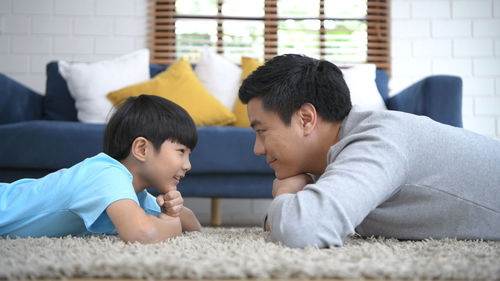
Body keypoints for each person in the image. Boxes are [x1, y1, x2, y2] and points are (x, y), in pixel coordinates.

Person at [239, 54, 500, 248]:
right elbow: (288, 221)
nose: (256, 149)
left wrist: (285, 194)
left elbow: (304, 229)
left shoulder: (379, 139)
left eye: (261, 131)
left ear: (306, 119)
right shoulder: (340, 156)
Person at [0, 95, 201, 243]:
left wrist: (175, 209)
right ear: (141, 149)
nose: (188, 165)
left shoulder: (134, 195)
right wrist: (171, 224)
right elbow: (142, 233)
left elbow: (193, 227)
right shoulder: (106, 174)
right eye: (181, 151)